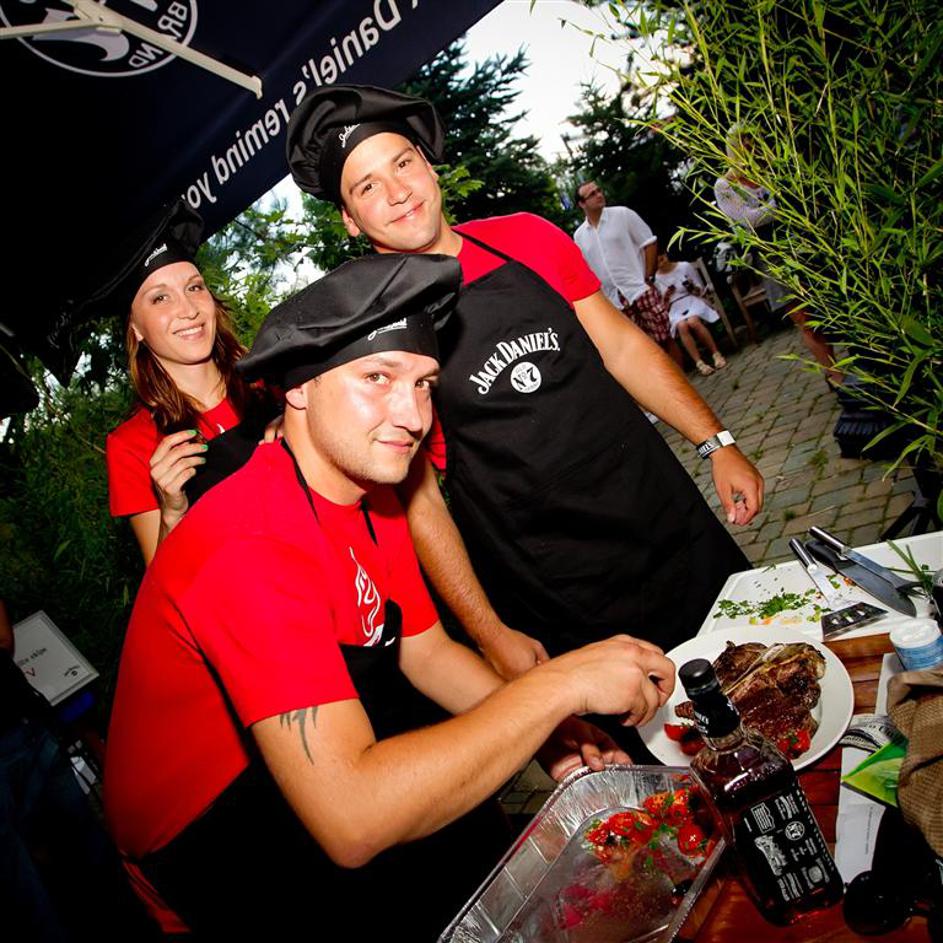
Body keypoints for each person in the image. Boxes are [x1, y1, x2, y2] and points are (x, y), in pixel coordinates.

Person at [103, 252, 674, 940]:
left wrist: (550, 733)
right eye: (377, 377)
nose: (412, 415)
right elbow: (354, 819)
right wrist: (557, 687)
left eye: (424, 383)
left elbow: (425, 651)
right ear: (300, 391)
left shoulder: (371, 491)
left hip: (291, 751)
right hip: (201, 815)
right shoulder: (244, 542)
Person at [284, 86, 764, 705]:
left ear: (429, 165)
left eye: (402, 163)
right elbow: (419, 501)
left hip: (663, 518)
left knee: (764, 675)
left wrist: (716, 442)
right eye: (368, 186)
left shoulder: (525, 238)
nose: (398, 191)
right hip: (557, 585)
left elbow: (621, 348)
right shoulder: (369, 334)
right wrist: (489, 633)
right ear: (350, 220)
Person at [96, 200, 272, 564]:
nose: (189, 310)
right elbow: (164, 585)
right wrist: (172, 513)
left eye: (194, 288)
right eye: (160, 298)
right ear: (136, 328)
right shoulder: (131, 444)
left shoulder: (270, 381)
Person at [0, 600, 158, 941]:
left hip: (22, 730)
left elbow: (3, 639)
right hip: (21, 732)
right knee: (40, 884)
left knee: (76, 859)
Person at [714, 124, 842, 387]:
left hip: (803, 245)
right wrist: (781, 203)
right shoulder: (725, 185)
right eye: (744, 140)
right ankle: (836, 377)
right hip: (772, 254)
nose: (750, 144)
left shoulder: (773, 168)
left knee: (825, 311)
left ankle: (840, 370)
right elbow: (748, 220)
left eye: (753, 138)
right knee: (805, 318)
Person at [572, 179, 680, 363]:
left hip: (638, 289)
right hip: (615, 300)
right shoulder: (580, 235)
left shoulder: (622, 214)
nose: (599, 195)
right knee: (640, 349)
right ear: (582, 204)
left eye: (599, 190)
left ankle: (682, 378)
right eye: (592, 194)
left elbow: (649, 242)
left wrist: (648, 277)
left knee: (664, 338)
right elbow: (587, 269)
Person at [654, 252, 727, 376]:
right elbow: (663, 306)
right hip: (675, 307)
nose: (662, 263)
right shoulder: (657, 279)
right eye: (657, 262)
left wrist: (691, 286)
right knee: (682, 326)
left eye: (662, 259)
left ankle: (716, 354)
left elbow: (700, 290)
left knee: (693, 322)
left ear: (665, 255)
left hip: (692, 299)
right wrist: (666, 296)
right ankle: (699, 363)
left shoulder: (684, 266)